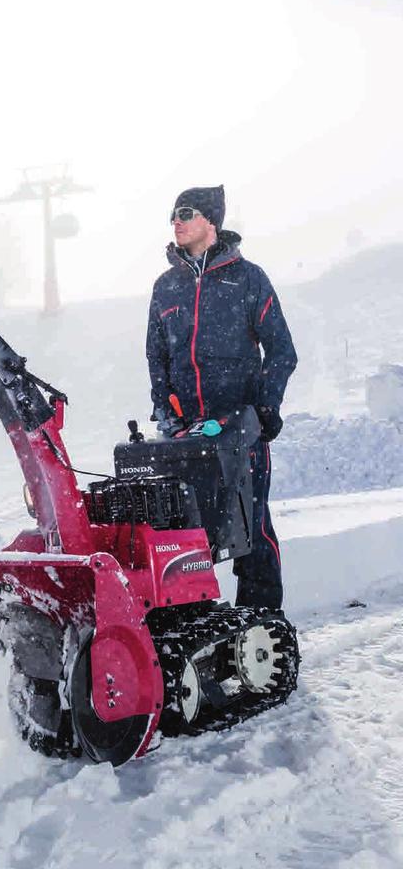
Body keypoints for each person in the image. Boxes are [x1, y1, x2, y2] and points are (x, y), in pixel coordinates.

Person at [146, 185, 297, 610]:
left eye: (185, 213)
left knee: (250, 525)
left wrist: (265, 407)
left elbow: (282, 350)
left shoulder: (247, 279)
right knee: (183, 534)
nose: (176, 221)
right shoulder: (166, 287)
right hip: (185, 434)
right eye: (173, 214)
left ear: (211, 221)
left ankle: (263, 624)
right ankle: (197, 628)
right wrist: (165, 411)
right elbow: (156, 358)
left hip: (239, 429)